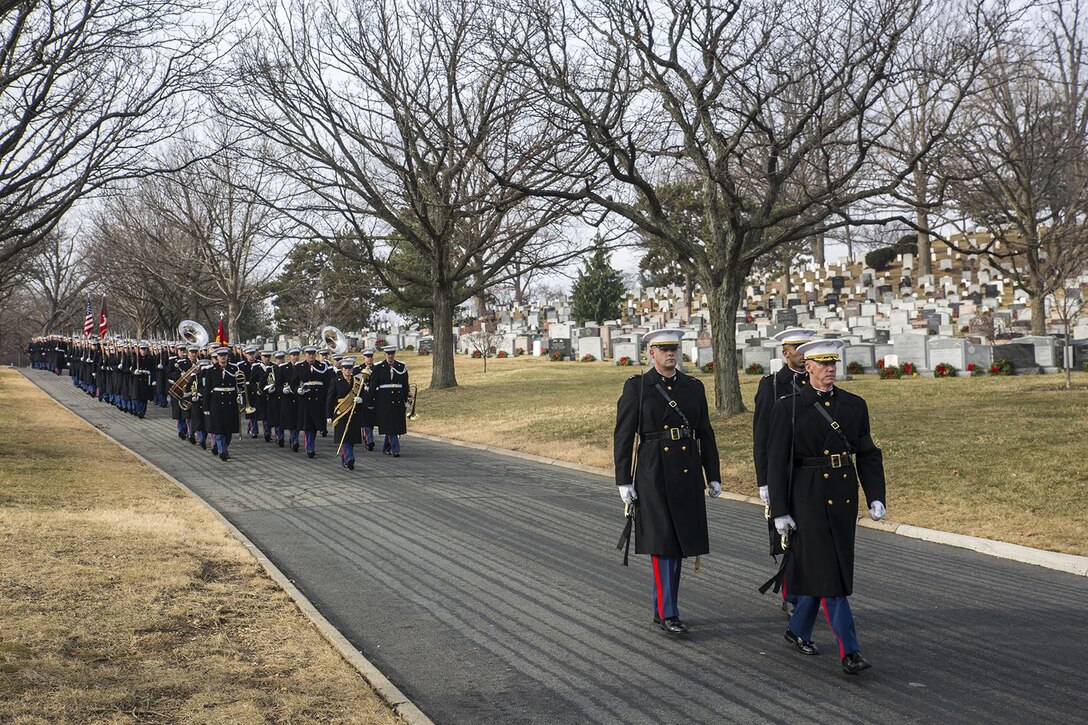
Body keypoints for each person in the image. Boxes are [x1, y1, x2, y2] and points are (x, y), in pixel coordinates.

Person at [764, 338, 887, 675]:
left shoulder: (853, 405)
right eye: (823, 363)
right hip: (807, 497)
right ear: (809, 367)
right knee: (831, 576)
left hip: (843, 498)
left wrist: (876, 495)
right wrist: (780, 511)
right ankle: (850, 651)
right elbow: (777, 463)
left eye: (834, 363)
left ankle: (798, 629)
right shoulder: (789, 407)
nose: (831, 369)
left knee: (827, 569)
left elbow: (867, 453)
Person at [613, 328, 722, 636]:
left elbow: (706, 433)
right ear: (651, 353)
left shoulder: (693, 387)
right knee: (662, 543)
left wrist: (712, 474)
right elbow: (623, 436)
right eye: (663, 349)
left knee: (678, 545)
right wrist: (623, 480)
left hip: (686, 471)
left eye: (674, 348)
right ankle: (668, 612)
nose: (670, 353)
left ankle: (663, 607)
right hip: (652, 472)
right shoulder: (638, 388)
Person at [753, 327, 816, 616]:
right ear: (784, 352)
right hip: (785, 472)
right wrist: (764, 479)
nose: (802, 355)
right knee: (790, 535)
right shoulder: (772, 386)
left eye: (806, 348)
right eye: (796, 349)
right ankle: (792, 596)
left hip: (812, 470)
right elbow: (762, 436)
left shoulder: (816, 384)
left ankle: (806, 592)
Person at [367, 345, 408, 456]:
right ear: (384, 354)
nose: (390, 356)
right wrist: (369, 401)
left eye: (392, 353)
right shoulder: (378, 367)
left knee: (394, 426)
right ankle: (396, 449)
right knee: (389, 425)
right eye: (388, 354)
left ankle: (386, 447)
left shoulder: (401, 366)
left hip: (398, 400)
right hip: (384, 401)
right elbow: (373, 385)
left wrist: (406, 399)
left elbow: (405, 385)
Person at [203, 347, 241, 461]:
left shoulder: (234, 369)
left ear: (228, 356)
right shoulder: (211, 370)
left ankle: (223, 447)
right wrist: (206, 406)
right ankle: (222, 451)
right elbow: (207, 390)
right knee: (219, 429)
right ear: (217, 357)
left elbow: (240, 386)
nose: (222, 357)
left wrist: (241, 399)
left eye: (224, 355)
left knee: (228, 430)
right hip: (217, 402)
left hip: (230, 402)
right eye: (220, 355)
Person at [327, 357, 364, 470]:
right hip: (341, 413)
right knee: (344, 438)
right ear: (342, 369)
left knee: (351, 439)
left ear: (352, 369)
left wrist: (361, 399)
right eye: (345, 368)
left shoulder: (358, 382)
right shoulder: (335, 381)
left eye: (350, 368)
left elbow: (364, 395)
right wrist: (328, 415)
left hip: (354, 413)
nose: (347, 370)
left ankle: (345, 458)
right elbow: (330, 399)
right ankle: (349, 458)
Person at [296, 345, 329, 458]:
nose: (311, 356)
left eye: (313, 354)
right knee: (308, 425)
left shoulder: (322, 366)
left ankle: (310, 445)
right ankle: (310, 447)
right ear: (305, 355)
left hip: (318, 399)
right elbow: (293, 382)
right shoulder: (300, 366)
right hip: (306, 399)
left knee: (315, 425)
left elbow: (327, 383)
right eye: (309, 354)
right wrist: (297, 390)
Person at [281, 347, 302, 451]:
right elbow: (278, 384)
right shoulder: (283, 368)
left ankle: (295, 439)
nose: (295, 357)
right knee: (291, 421)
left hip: (298, 397)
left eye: (297, 355)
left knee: (298, 420)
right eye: (293, 355)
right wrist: (282, 389)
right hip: (288, 398)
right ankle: (294, 440)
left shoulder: (302, 367)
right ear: (290, 356)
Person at [357, 349, 377, 451]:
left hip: (374, 398)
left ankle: (367, 438)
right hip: (363, 398)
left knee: (371, 422)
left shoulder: (377, 369)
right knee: (365, 422)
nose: (369, 359)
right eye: (367, 357)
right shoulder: (358, 369)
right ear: (363, 358)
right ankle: (369, 441)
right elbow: (357, 383)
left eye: (370, 357)